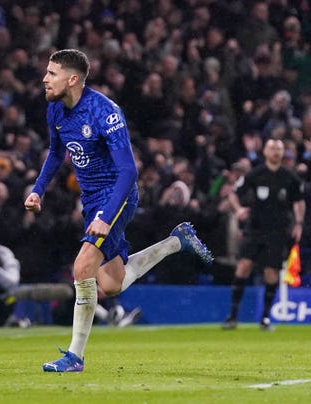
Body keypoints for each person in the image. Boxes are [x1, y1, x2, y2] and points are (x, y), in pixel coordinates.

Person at [23, 49, 213, 372]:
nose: (44, 78)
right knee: (110, 285)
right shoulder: (55, 109)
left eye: (52, 73)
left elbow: (129, 172)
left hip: (118, 196)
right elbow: (56, 153)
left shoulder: (104, 112)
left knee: (82, 267)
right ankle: (176, 242)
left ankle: (74, 357)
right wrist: (38, 189)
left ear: (72, 79)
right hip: (92, 200)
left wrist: (106, 217)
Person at [221, 138, 305, 331]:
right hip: (255, 228)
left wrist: (299, 223)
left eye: (279, 149)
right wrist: (238, 209)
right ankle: (232, 316)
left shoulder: (290, 177)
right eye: (272, 148)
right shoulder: (255, 174)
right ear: (265, 152)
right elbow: (234, 193)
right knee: (243, 266)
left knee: (271, 272)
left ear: (282, 153)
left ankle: (265, 318)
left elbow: (299, 201)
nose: (276, 152)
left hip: (278, 231)